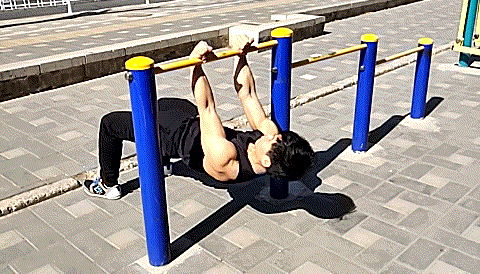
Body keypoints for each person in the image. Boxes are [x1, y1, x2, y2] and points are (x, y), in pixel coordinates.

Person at [84, 36, 314, 199]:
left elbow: (208, 108)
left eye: (274, 141)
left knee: (110, 124)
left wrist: (195, 62)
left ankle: (108, 184)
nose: (272, 135)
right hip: (191, 118)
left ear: (267, 162)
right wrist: (241, 55)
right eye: (278, 136)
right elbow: (248, 94)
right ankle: (162, 164)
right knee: (162, 103)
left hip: (172, 137)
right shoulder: (269, 139)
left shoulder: (227, 159)